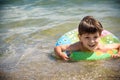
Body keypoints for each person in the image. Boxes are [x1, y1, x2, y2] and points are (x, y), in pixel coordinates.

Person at [54, 16, 120, 61]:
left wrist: (118, 54)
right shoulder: (78, 46)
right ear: (80, 38)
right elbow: (58, 47)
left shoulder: (101, 47)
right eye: (87, 37)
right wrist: (60, 54)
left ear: (100, 36)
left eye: (95, 37)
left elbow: (118, 45)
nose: (92, 41)